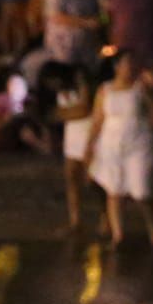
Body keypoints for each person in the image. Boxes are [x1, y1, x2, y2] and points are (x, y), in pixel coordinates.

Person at [84, 52, 153, 247]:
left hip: (138, 142)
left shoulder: (140, 88)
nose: (130, 68)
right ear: (117, 67)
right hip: (112, 144)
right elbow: (97, 121)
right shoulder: (104, 90)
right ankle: (118, 234)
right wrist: (89, 147)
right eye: (126, 64)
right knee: (114, 189)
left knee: (142, 190)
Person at [55, 65, 96, 233]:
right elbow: (60, 113)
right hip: (72, 140)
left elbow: (84, 109)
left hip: (87, 138)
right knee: (71, 180)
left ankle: (104, 217)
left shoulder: (92, 92)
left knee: (93, 182)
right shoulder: (63, 93)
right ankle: (75, 220)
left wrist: (69, 112)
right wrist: (72, 112)